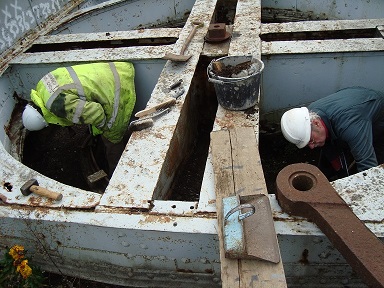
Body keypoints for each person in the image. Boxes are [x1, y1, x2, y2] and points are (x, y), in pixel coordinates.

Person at [22, 62, 136, 176]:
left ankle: (119, 176)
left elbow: (97, 114)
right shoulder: (42, 87)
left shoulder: (59, 105)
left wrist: (103, 131)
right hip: (116, 71)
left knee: (112, 139)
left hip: (117, 88)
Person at [280, 87, 384, 179]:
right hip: (355, 107)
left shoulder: (350, 126)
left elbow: (368, 166)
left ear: (316, 123)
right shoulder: (311, 114)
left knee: (375, 157)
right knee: (328, 145)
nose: (311, 147)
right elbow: (328, 146)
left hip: (377, 118)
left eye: (311, 140)